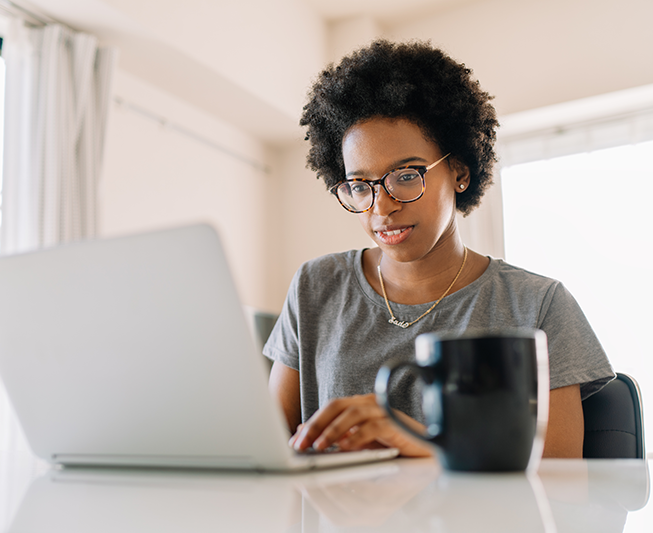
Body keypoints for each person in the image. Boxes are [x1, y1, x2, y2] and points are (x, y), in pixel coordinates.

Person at [263, 40, 614, 459]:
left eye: (406, 176)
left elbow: (562, 485)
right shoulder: (315, 288)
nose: (382, 206)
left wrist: (421, 443)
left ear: (460, 171)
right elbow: (268, 450)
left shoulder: (537, 306)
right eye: (360, 186)